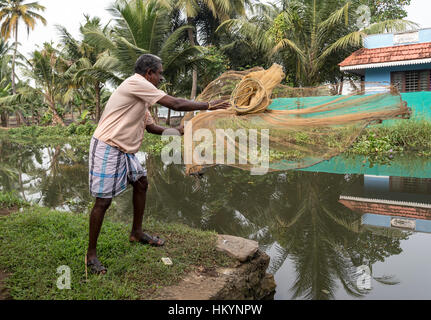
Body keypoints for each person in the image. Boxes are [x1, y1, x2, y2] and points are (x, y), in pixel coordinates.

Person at [86, 53, 229, 275]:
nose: (161, 78)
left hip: (125, 150)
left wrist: (176, 131)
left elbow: (152, 128)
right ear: (149, 73)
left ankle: (136, 232)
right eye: (159, 73)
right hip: (108, 146)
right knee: (103, 202)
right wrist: (209, 105)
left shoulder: (141, 97)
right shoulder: (137, 83)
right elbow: (175, 103)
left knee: (141, 183)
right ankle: (91, 255)